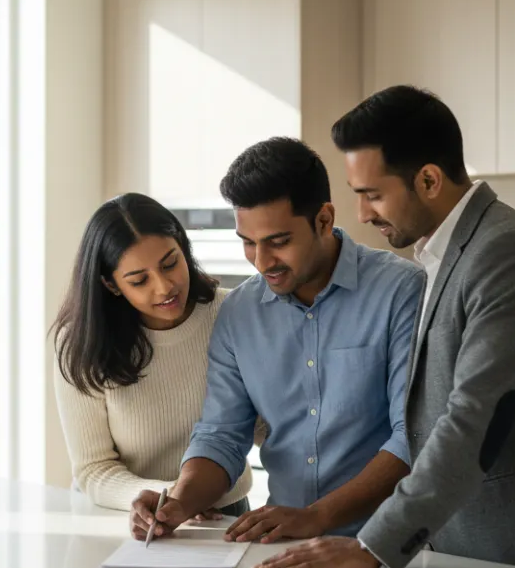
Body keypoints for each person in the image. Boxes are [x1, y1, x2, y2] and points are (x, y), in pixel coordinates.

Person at [256, 86, 515, 568]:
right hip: (461, 560)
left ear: (428, 179)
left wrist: (372, 546)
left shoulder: (507, 252)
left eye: (373, 194)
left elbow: (477, 419)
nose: (362, 213)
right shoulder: (441, 257)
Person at [130, 137, 424, 544]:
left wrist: (316, 517)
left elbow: (412, 435)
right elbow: (222, 435)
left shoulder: (401, 292)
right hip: (285, 544)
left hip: (385, 545)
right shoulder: (239, 313)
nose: (261, 261)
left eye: (278, 241)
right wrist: (179, 502)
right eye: (248, 242)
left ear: (323, 219)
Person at [52, 193, 253, 514]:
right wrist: (174, 498)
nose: (164, 287)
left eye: (170, 263)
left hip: (221, 512)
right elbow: (93, 469)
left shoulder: (232, 314)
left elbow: (263, 427)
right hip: (120, 514)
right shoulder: (80, 342)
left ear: (184, 249)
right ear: (111, 284)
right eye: (139, 280)